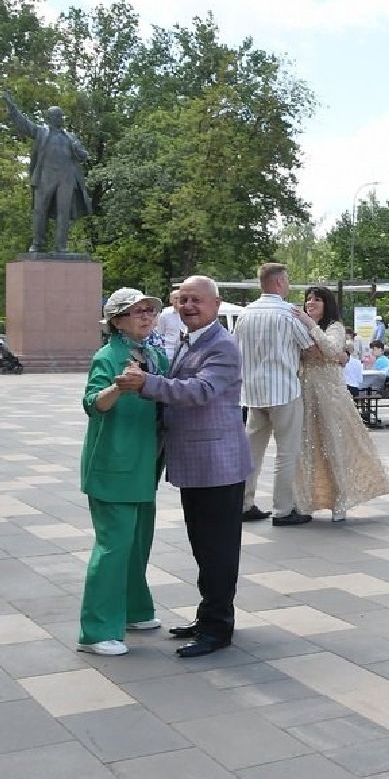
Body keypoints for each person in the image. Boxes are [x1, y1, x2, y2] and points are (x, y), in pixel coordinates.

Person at [114, 275, 253, 658]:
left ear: (216, 304)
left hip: (218, 465)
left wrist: (146, 383)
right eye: (183, 300)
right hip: (197, 464)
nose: (188, 306)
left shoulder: (222, 345)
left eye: (197, 300)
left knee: (218, 551)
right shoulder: (189, 340)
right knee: (203, 547)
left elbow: (200, 391)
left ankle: (217, 629)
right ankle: (209, 615)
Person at [76, 289, 167, 656]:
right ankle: (96, 631)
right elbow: (92, 403)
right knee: (113, 547)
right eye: (137, 311)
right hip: (113, 466)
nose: (146, 316)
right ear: (116, 320)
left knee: (138, 542)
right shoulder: (108, 356)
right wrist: (118, 385)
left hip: (145, 464)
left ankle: (134, 609)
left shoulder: (155, 354)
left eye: (150, 310)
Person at [294, 286, 389, 523]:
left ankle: (340, 500)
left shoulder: (333, 327)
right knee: (306, 448)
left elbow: (333, 349)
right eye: (308, 300)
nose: (311, 303)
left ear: (327, 304)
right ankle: (306, 500)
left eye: (317, 300)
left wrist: (311, 327)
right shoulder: (300, 327)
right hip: (305, 394)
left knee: (334, 446)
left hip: (331, 396)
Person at [236, 262, 315, 526]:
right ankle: (283, 509)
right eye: (288, 280)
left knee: (251, 452)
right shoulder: (287, 314)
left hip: (253, 392)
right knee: (286, 453)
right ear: (280, 282)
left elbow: (235, 349)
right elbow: (310, 349)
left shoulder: (245, 314)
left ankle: (243, 503)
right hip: (284, 390)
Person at [3, 91, 91, 254]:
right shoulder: (42, 132)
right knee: (40, 210)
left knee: (64, 213)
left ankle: (61, 246)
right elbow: (24, 124)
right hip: (45, 178)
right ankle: (38, 244)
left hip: (66, 179)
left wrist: (80, 151)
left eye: (62, 116)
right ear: (50, 118)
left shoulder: (70, 137)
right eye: (58, 116)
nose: (61, 119)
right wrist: (12, 107)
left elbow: (83, 156)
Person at [155, 289, 185, 359]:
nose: (178, 300)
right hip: (169, 351)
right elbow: (160, 332)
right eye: (176, 298)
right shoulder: (165, 314)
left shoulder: (189, 313)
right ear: (171, 300)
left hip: (185, 351)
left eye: (180, 298)